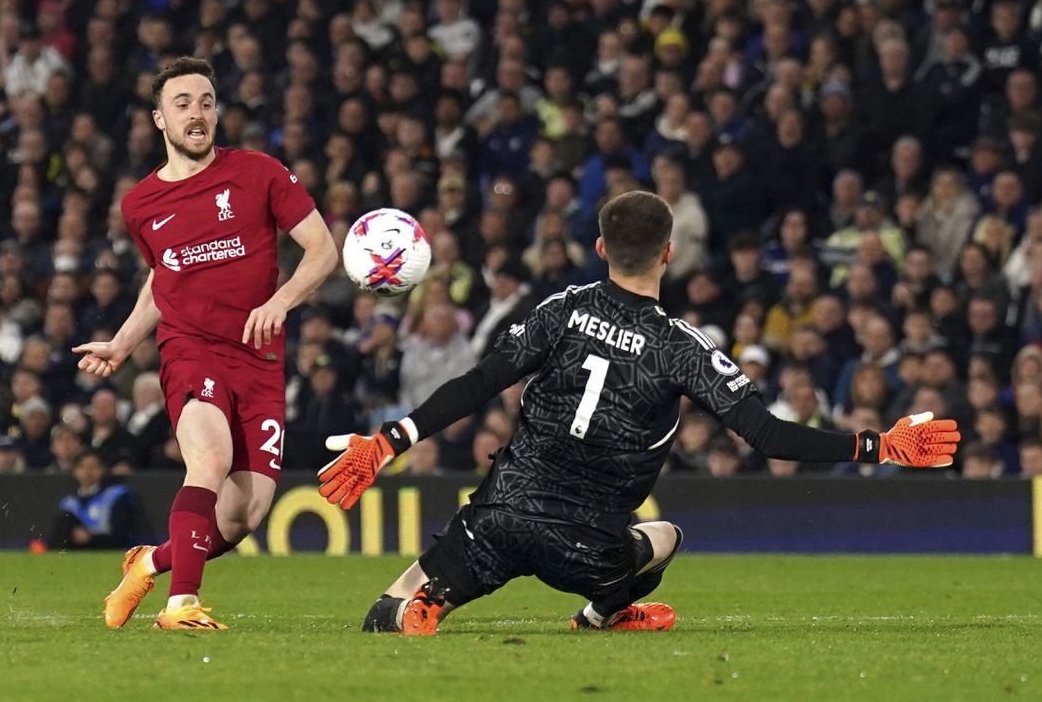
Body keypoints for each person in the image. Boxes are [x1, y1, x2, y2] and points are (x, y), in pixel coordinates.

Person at [319, 191, 960, 636]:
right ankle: (603, 613)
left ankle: (421, 609)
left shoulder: (560, 309)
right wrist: (879, 445)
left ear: (600, 246)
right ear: (669, 253)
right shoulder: (683, 348)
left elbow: (479, 382)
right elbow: (767, 435)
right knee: (666, 537)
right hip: (586, 546)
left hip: (501, 516)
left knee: (389, 607)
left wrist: (387, 440)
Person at [78, 57, 336, 632]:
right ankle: (180, 606)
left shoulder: (260, 172)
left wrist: (280, 302)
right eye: (183, 104)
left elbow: (322, 249)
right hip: (190, 349)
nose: (196, 114)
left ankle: (150, 561)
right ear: (159, 120)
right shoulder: (139, 204)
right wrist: (123, 342)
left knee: (244, 514)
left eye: (205, 102)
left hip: (260, 359)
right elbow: (162, 280)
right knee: (210, 458)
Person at [47, 451, 138, 550]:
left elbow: (121, 535)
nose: (87, 472)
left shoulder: (115, 496)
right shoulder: (69, 502)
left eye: (93, 467)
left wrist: (90, 538)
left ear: (102, 470)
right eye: (82, 467)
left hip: (104, 548)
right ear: (75, 471)